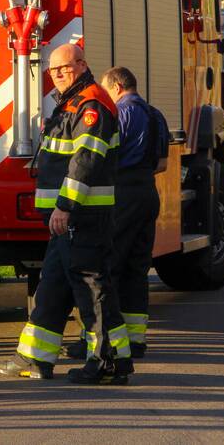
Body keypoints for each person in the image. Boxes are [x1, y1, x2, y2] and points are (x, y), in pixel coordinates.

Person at [0, 42, 133, 385]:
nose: (57, 75)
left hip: (83, 217)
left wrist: (64, 207)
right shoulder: (69, 105)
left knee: (91, 290)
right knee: (52, 286)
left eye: (65, 68)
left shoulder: (91, 105)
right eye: (53, 70)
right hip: (67, 221)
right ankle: (35, 358)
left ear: (82, 65)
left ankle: (106, 362)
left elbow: (84, 162)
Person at [68, 66, 168, 360]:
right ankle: (135, 339)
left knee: (108, 267)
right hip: (148, 192)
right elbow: (162, 163)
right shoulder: (155, 115)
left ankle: (103, 341)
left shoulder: (117, 113)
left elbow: (102, 156)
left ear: (116, 86)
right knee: (137, 268)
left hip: (121, 192)